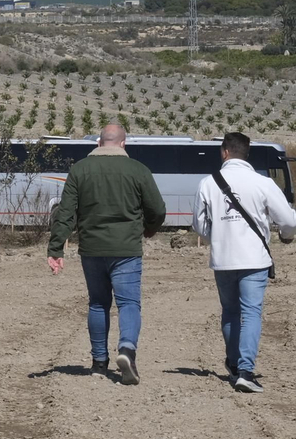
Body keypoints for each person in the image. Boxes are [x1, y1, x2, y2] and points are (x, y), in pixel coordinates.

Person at [47, 123, 167, 385]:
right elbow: (158, 209)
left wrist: (56, 249)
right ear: (123, 144)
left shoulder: (80, 170)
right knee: (128, 303)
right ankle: (126, 350)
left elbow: (65, 213)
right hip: (126, 250)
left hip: (92, 249)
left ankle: (99, 363)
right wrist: (148, 229)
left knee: (98, 303)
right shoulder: (138, 170)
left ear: (99, 142)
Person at [193, 132, 296, 393]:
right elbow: (289, 220)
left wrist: (217, 237)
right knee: (251, 313)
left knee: (230, 312)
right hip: (254, 259)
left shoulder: (208, 183)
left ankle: (233, 364)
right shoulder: (262, 182)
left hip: (223, 259)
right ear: (246, 153)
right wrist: (285, 236)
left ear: (224, 152)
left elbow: (199, 224)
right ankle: (246, 371)